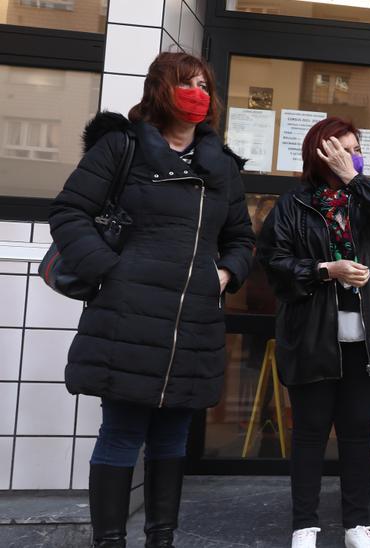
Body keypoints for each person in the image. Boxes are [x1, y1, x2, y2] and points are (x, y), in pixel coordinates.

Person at [48, 52, 255, 548]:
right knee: (121, 435)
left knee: (172, 440)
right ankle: (110, 541)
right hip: (129, 318)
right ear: (161, 88)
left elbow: (242, 238)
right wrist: (111, 270)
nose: (198, 93)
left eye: (205, 85)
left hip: (194, 323)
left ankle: (162, 539)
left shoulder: (220, 166)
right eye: (188, 83)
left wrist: (226, 273)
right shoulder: (121, 148)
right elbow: (70, 211)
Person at [257, 117, 370, 548]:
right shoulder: (293, 205)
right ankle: (304, 526)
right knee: (310, 433)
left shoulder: (365, 198)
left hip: (367, 338)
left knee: (359, 434)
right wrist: (326, 270)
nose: (349, 153)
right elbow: (274, 263)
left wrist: (355, 178)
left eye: (355, 147)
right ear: (319, 152)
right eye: (340, 147)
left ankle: (357, 526)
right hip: (312, 337)